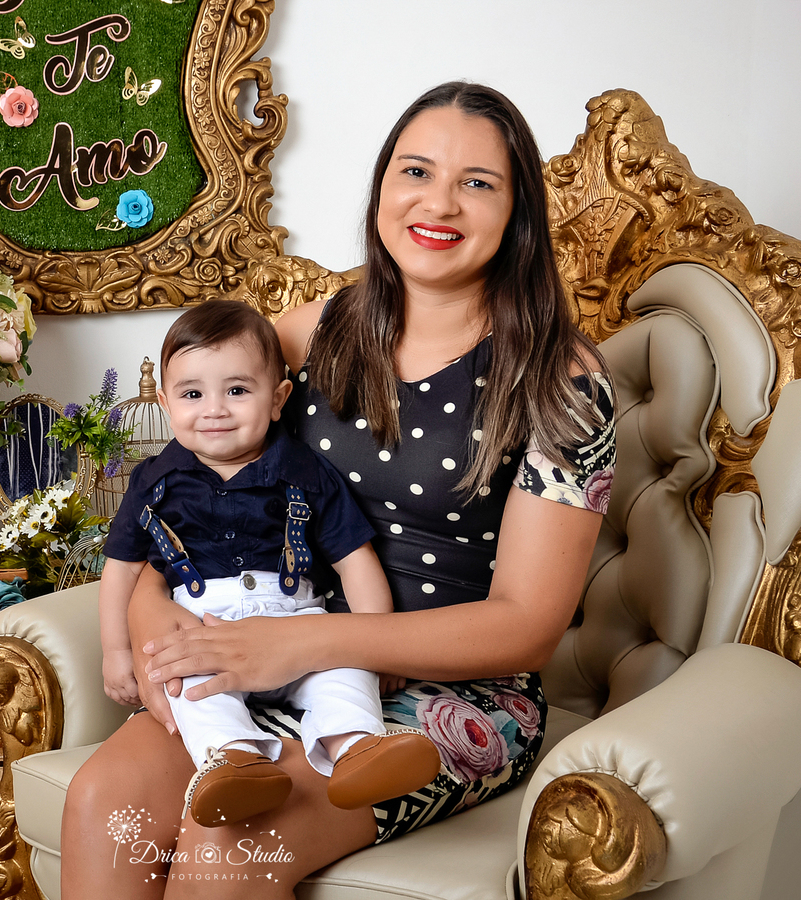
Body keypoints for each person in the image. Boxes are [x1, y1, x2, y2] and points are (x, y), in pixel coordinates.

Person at [62, 81, 616, 898]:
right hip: (263, 643)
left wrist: (312, 645)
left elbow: (530, 628)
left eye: (478, 183)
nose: (439, 203)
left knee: (229, 845)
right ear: (383, 187)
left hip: (454, 691)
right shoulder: (304, 337)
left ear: (519, 211)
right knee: (102, 800)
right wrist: (159, 638)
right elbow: (172, 518)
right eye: (415, 171)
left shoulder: (565, 383)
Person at [99, 299, 443, 829]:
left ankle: (357, 748)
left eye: (237, 390)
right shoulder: (153, 481)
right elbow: (121, 570)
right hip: (203, 628)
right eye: (193, 395)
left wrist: (379, 643)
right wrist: (117, 652)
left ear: (279, 398)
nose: (214, 409)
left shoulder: (306, 472)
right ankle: (235, 761)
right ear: (166, 404)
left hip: (299, 622)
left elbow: (356, 561)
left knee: (343, 670)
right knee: (186, 683)